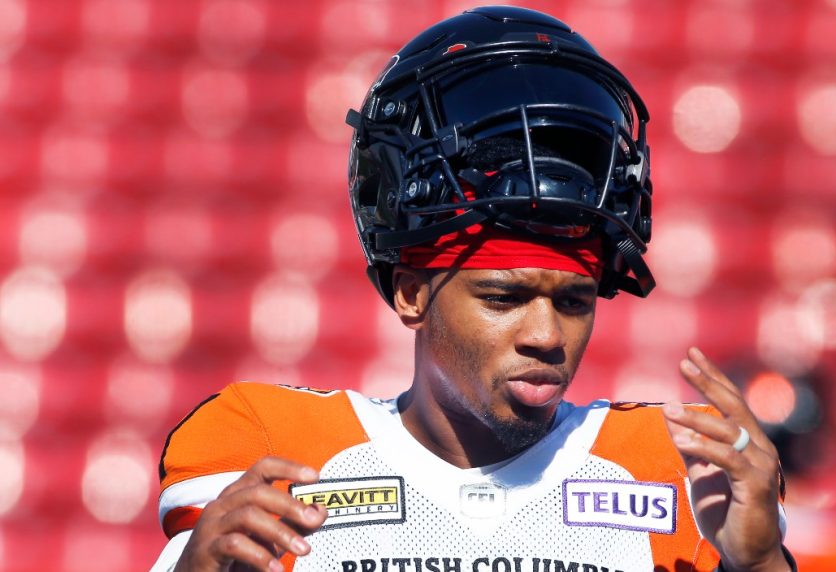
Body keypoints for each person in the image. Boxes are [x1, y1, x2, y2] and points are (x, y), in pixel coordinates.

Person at [150, 7, 796, 572]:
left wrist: (760, 561)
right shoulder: (271, 441)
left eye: (572, 301)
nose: (546, 336)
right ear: (411, 294)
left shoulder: (675, 468)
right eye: (503, 298)